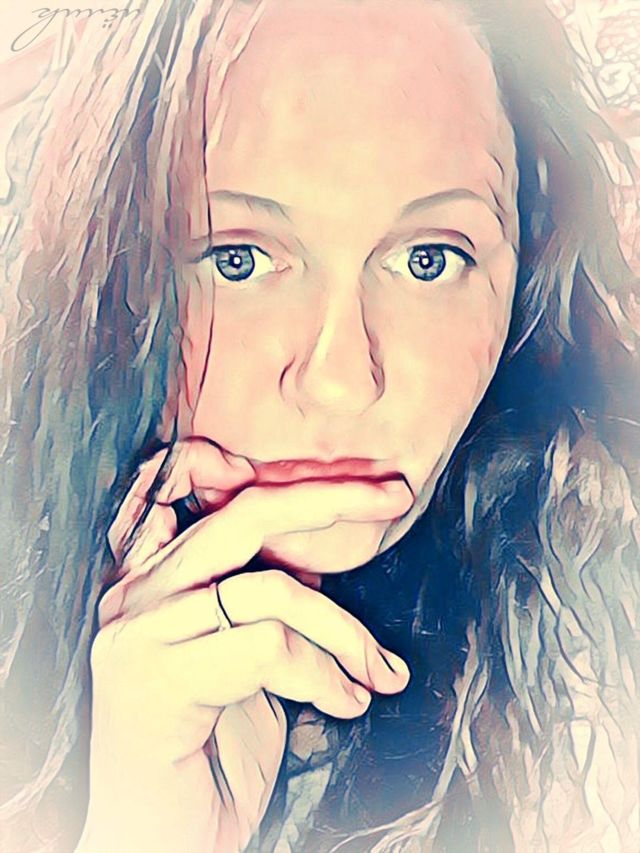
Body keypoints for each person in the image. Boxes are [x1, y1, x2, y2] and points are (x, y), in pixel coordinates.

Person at [1, 0, 639, 850]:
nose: (341, 381)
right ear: (121, 285)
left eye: (428, 259)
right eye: (239, 259)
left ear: (525, 272)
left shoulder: (599, 678)